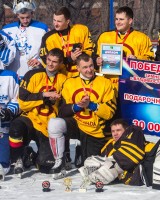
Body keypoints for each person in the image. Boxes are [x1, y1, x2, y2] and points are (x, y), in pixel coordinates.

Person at [47, 53, 117, 177]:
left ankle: (80, 152)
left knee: (90, 168)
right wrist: (77, 106)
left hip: (95, 129)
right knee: (55, 123)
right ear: (78, 68)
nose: (89, 70)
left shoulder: (105, 82)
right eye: (85, 67)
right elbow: (62, 111)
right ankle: (60, 161)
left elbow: (109, 113)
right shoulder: (69, 83)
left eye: (91, 66)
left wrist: (91, 105)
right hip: (76, 124)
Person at [9, 48, 67, 177]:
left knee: (46, 166)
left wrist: (53, 101)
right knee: (16, 128)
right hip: (30, 118)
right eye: (49, 60)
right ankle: (17, 157)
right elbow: (23, 101)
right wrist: (44, 96)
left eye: (55, 62)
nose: (50, 64)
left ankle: (31, 155)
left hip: (47, 124)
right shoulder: (33, 74)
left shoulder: (64, 79)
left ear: (60, 63)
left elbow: (63, 104)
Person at [78, 119, 154, 186]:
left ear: (126, 130)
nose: (115, 134)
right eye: (113, 131)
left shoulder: (137, 140)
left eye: (118, 130)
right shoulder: (108, 145)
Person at [95, 6, 154, 89]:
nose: (118, 22)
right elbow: (94, 57)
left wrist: (136, 59)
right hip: (108, 85)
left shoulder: (142, 38)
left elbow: (151, 61)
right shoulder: (105, 36)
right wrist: (97, 61)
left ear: (130, 21)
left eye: (121, 19)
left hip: (132, 85)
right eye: (116, 19)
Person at [40, 6, 94, 78]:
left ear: (67, 21)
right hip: (61, 77)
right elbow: (46, 62)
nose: (55, 24)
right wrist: (69, 59)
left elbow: (91, 52)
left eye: (59, 21)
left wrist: (79, 54)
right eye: (54, 20)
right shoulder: (48, 37)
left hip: (82, 77)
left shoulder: (81, 30)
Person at [2, 0, 48, 79]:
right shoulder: (6, 30)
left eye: (28, 17)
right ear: (17, 15)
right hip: (12, 74)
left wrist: (40, 61)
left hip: (34, 73)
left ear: (32, 14)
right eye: (22, 18)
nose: (25, 20)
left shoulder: (42, 28)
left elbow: (49, 49)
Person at [0, 30, 19, 180]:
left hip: (3, 126)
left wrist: (8, 112)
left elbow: (17, 100)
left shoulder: (10, 77)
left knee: (3, 165)